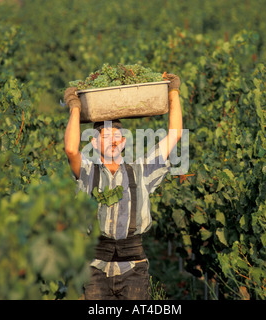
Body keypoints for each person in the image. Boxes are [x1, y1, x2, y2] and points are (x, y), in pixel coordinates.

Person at [63, 73, 182, 300]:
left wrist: (173, 92)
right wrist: (75, 107)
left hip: (134, 267)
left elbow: (174, 135)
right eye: (106, 136)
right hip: (94, 267)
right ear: (95, 143)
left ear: (124, 142)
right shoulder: (88, 173)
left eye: (117, 135)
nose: (113, 139)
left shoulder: (140, 170)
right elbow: (71, 150)